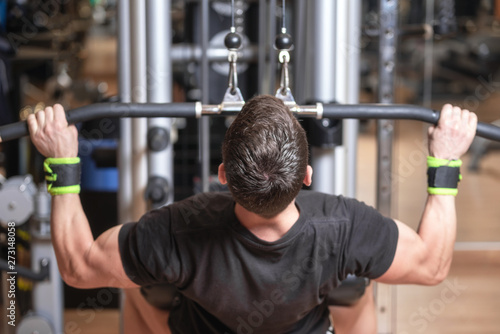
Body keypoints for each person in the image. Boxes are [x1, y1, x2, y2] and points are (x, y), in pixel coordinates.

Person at [27, 95, 477, 334]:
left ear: (221, 175)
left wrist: (63, 164)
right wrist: (446, 160)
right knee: (357, 291)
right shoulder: (341, 225)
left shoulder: (178, 227)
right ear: (306, 175)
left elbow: (79, 267)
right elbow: (432, 265)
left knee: (132, 285)